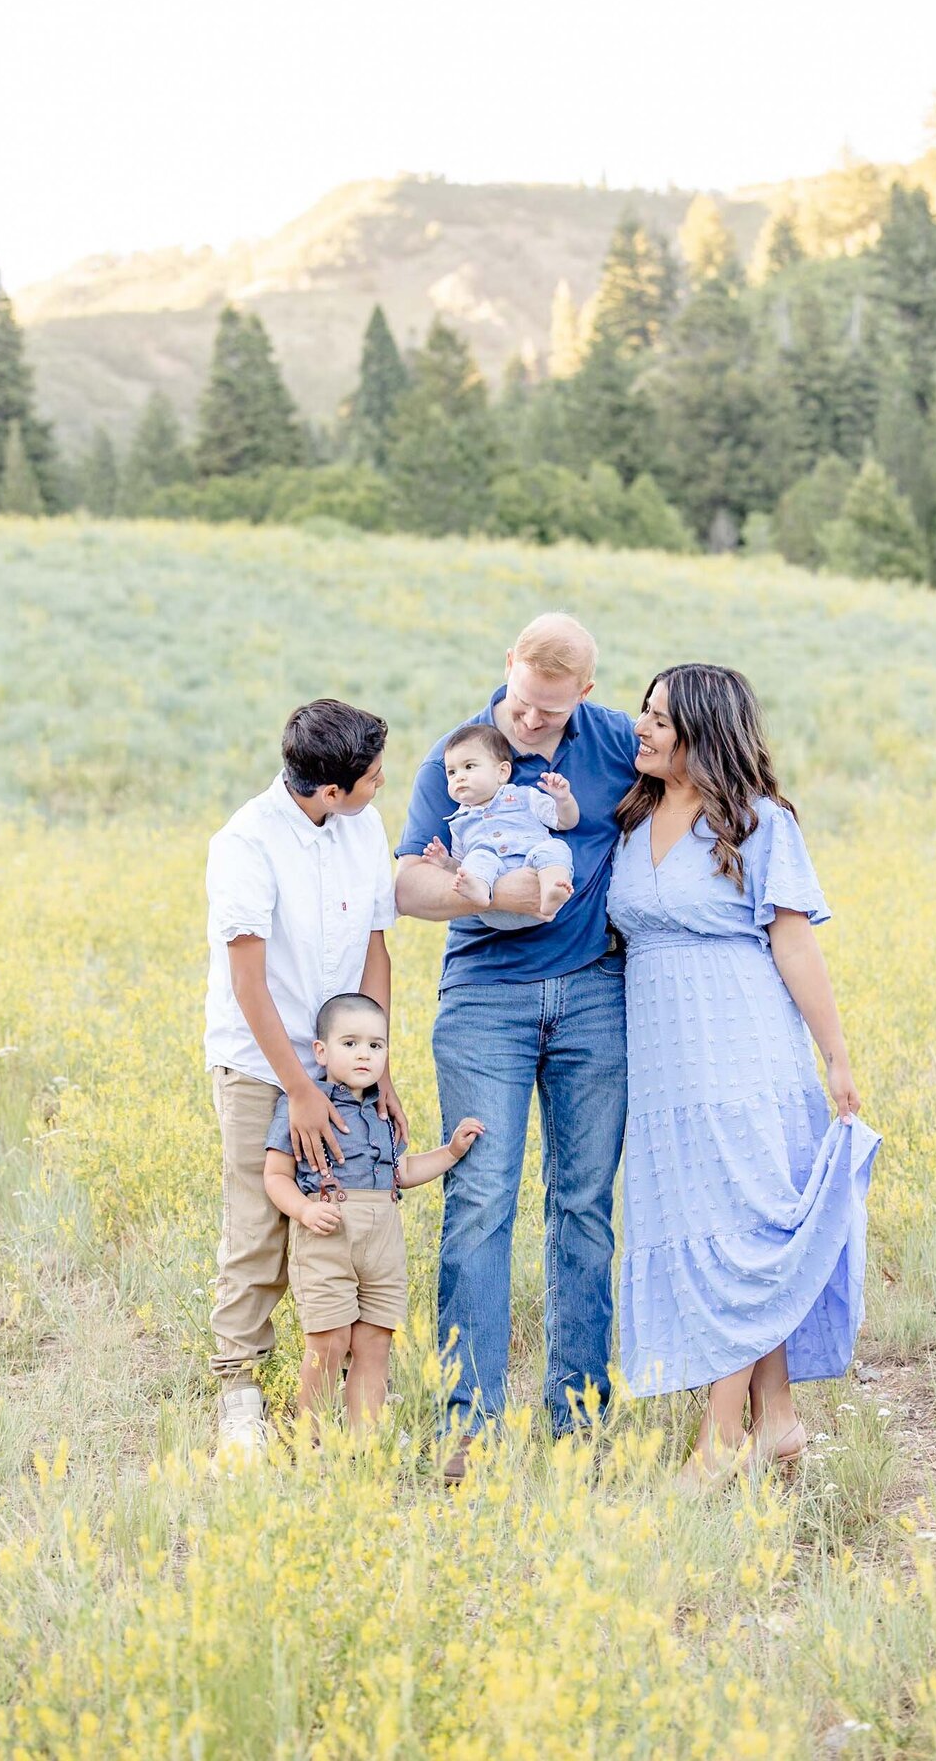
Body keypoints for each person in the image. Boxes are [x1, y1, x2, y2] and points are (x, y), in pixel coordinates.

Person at [605, 663, 880, 1489]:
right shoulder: (633, 816)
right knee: (713, 1223)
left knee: (743, 1226)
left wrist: (835, 1056)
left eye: (659, 717)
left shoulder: (757, 822)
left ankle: (722, 1437)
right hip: (664, 1063)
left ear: (703, 728)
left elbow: (794, 942)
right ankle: (780, 1421)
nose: (642, 728)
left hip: (742, 1046)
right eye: (642, 711)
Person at [395, 612, 638, 1475]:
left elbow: (693, 784)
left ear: (585, 694)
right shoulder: (458, 755)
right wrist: (506, 894)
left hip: (594, 996)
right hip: (485, 999)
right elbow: (410, 885)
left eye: (549, 712)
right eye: (521, 704)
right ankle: (469, 1422)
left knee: (582, 1205)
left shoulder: (614, 741)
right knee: (479, 1200)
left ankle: (577, 1418)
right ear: (507, 667)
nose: (528, 724)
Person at [204, 699, 404, 1459]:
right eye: (374, 777)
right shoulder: (245, 842)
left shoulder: (364, 827)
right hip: (263, 1060)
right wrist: (299, 1087)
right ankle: (241, 1397)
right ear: (330, 790)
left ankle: (341, 1401)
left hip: (345, 1057)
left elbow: (375, 950)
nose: (383, 784)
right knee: (259, 1224)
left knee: (346, 1209)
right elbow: (249, 984)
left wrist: (376, 1061)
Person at [263, 992, 484, 1433]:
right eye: (350, 1043)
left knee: (374, 1342)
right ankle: (312, 1439)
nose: (364, 1053)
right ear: (321, 1052)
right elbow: (276, 1176)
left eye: (375, 1045)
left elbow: (401, 1171)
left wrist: (451, 1152)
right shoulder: (303, 1106)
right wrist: (304, 1211)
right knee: (328, 1341)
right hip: (328, 1235)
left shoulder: (383, 1113)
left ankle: (366, 1446)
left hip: (383, 1243)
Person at [422, 722, 578, 921]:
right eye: (451, 772)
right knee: (478, 857)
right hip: (497, 905)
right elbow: (462, 866)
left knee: (555, 847)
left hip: (534, 875)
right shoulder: (459, 822)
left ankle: (552, 891)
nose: (459, 777)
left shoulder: (525, 797)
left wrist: (563, 799)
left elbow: (565, 822)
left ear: (502, 772)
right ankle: (479, 891)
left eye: (469, 767)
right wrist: (446, 863)